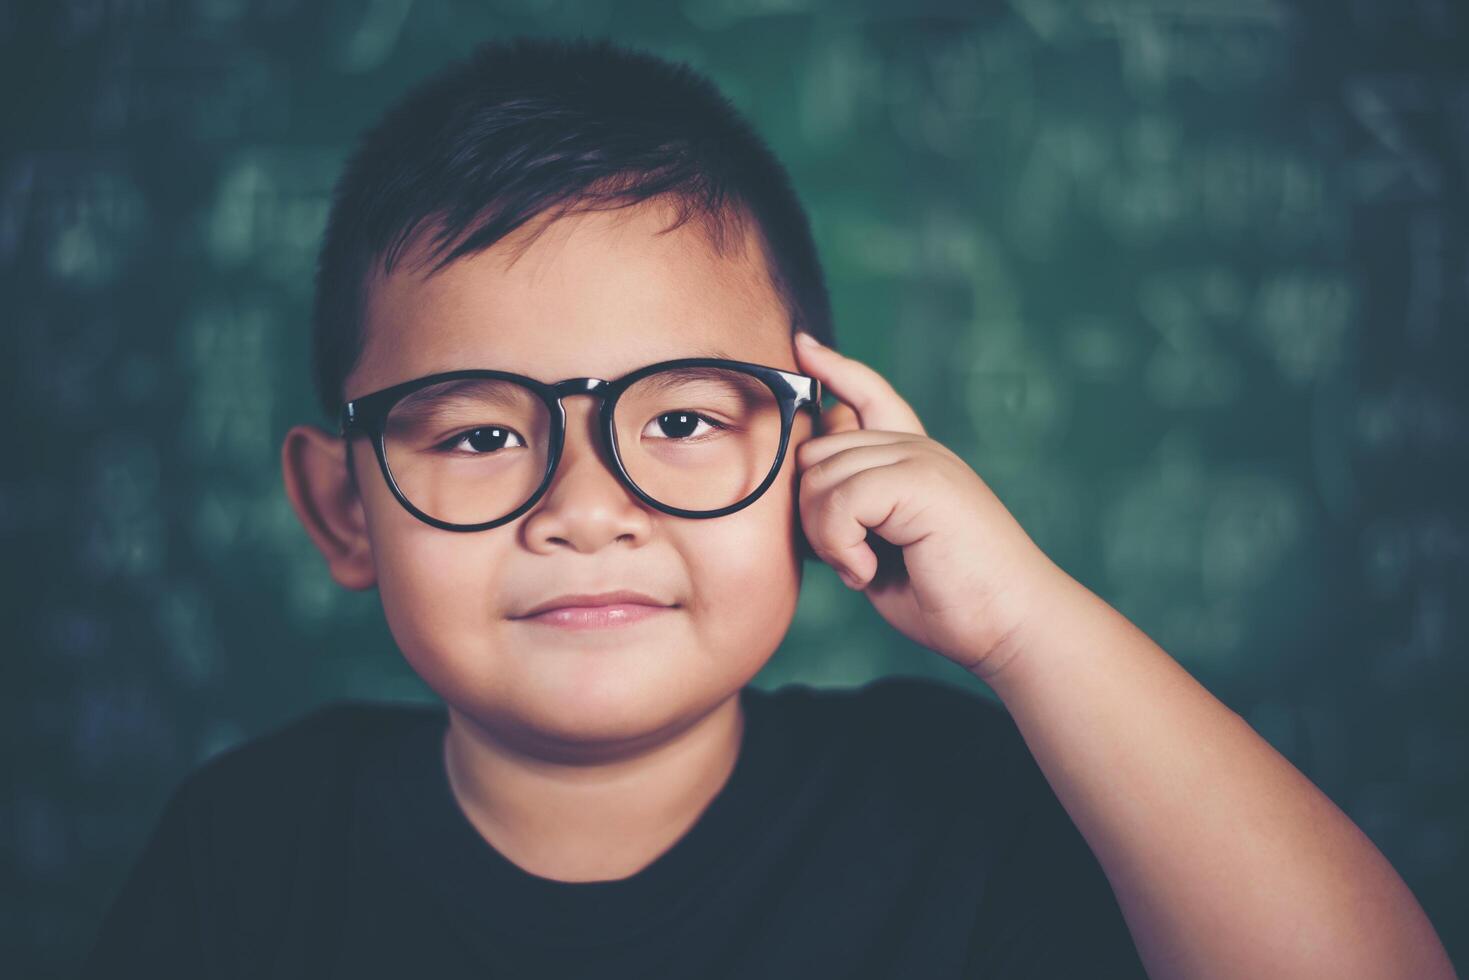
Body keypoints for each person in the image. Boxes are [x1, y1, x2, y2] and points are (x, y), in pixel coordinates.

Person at [80, 35, 1454, 980]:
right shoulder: (250, 851)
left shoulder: (949, 805)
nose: (585, 506)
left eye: (679, 422)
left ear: (820, 456)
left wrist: (1029, 625)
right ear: (340, 508)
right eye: (487, 432)